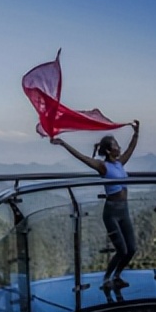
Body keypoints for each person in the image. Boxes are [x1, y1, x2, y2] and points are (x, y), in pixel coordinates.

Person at [50, 120, 140, 290]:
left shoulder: (120, 163)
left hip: (124, 210)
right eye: (115, 145)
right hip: (111, 212)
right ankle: (107, 279)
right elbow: (82, 157)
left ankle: (117, 276)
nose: (119, 148)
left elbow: (131, 148)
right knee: (122, 249)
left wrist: (136, 133)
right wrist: (63, 144)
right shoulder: (102, 166)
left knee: (132, 248)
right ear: (108, 150)